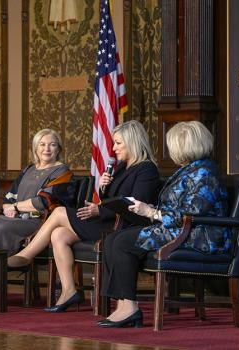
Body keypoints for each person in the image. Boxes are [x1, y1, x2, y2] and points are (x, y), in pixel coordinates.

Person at [7, 120, 161, 312]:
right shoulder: (121, 167)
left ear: (133, 142)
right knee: (59, 235)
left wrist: (100, 210)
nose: (113, 148)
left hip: (122, 227)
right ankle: (69, 291)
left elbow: (135, 205)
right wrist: (105, 188)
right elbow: (112, 199)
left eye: (118, 143)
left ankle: (26, 255)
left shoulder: (147, 169)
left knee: (60, 211)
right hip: (107, 220)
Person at [98, 121, 229, 328]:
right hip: (179, 229)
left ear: (183, 145)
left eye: (172, 145)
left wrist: (151, 212)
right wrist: (149, 208)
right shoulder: (189, 169)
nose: (170, 150)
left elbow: (191, 213)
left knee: (122, 241)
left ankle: (129, 308)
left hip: (199, 235)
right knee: (113, 238)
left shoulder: (204, 172)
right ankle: (122, 304)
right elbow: (174, 207)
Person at [0, 128, 75, 306]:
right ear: (35, 148)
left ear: (59, 149)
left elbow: (44, 201)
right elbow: (9, 196)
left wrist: (16, 206)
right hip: (15, 217)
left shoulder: (62, 171)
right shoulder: (28, 169)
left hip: (39, 221)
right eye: (42, 144)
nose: (46, 149)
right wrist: (7, 206)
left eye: (52, 144)